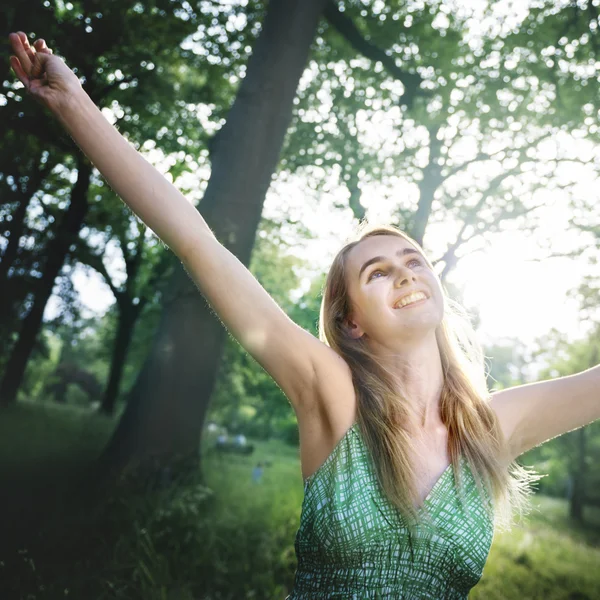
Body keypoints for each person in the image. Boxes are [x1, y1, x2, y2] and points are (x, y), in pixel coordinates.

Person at [8, 32, 600, 599]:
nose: (405, 273)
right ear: (351, 323)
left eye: (412, 260)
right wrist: (73, 102)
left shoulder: (488, 429)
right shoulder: (333, 393)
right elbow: (197, 242)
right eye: (378, 273)